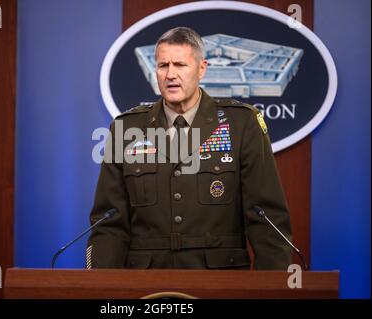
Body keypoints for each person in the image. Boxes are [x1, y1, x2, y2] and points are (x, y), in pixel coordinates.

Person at [86, 27, 292, 270]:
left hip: (220, 282)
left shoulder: (241, 124)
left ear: (201, 68)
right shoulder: (126, 129)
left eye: (180, 65)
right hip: (146, 286)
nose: (170, 74)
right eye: (163, 66)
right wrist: (102, 289)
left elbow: (266, 218)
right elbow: (109, 224)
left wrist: (272, 289)